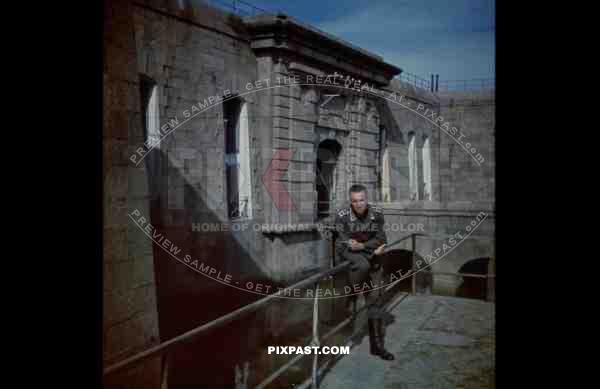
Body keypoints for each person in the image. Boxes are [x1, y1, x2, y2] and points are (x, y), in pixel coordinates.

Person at [334, 184, 394, 360]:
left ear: (366, 199)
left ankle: (377, 346)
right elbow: (347, 243)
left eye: (361, 200)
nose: (359, 204)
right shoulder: (342, 216)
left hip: (372, 257)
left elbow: (382, 239)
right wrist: (370, 249)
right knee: (362, 265)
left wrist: (366, 247)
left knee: (375, 299)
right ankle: (353, 292)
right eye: (354, 201)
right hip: (350, 253)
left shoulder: (377, 213)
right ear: (350, 202)